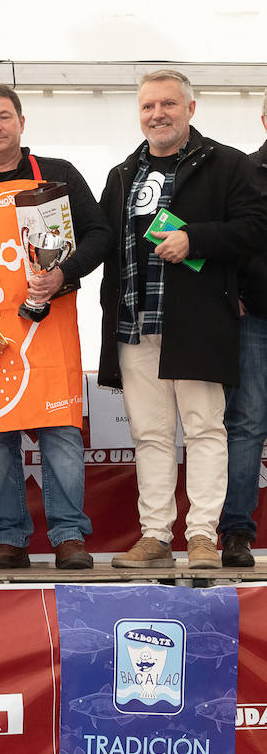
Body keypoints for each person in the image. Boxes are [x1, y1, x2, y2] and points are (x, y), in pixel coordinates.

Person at [98, 69, 267, 569]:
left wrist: (197, 238)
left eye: (168, 104)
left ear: (190, 109)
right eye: (148, 106)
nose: (158, 114)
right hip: (135, 326)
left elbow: (257, 228)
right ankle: (154, 537)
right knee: (149, 435)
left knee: (205, 430)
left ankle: (201, 538)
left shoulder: (228, 165)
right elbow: (104, 244)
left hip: (197, 322)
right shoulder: (123, 173)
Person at [0, 83, 113, 570]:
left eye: (4, 117)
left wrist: (63, 273)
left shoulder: (58, 175)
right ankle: (10, 538)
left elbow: (100, 235)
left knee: (60, 430)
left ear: (21, 122)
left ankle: (68, 536)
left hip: (50, 323)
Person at [219, 96, 267, 568]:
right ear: (264, 119)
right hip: (255, 316)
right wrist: (228, 290)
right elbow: (228, 238)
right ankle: (236, 532)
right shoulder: (243, 170)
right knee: (248, 425)